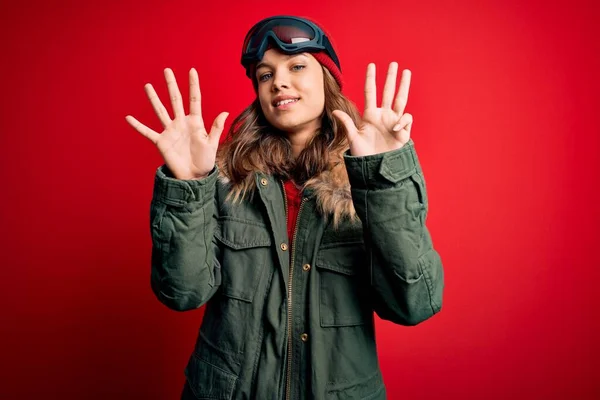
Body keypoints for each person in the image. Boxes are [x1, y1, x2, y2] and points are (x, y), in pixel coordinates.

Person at [126, 15, 444, 400]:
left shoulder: (367, 182)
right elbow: (182, 292)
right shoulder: (228, 180)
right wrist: (190, 185)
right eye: (264, 75)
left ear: (327, 79)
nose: (278, 82)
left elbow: (415, 304)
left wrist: (379, 179)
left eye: (296, 66)